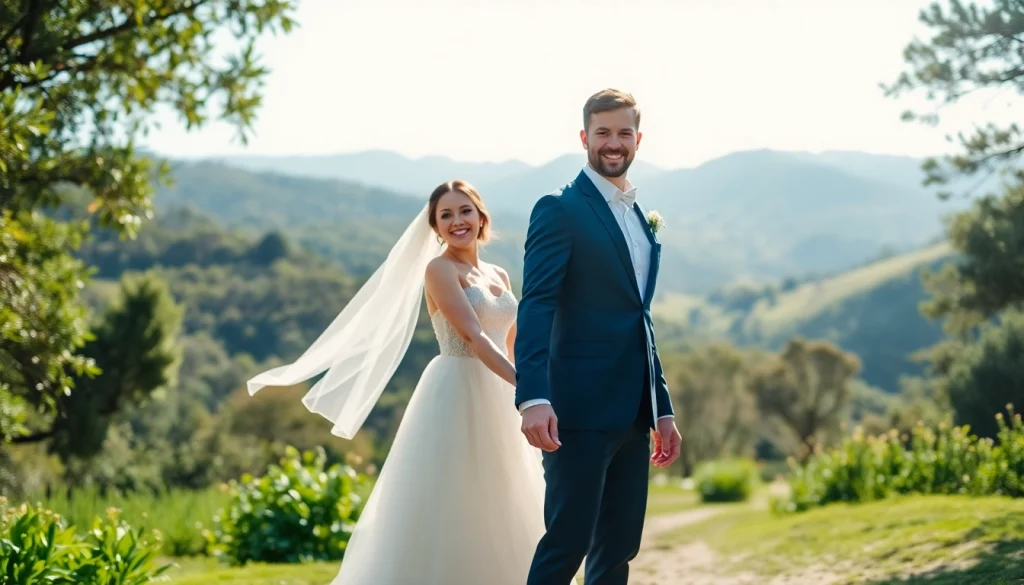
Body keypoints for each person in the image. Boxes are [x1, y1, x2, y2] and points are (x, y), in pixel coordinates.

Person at [247, 180, 559, 584]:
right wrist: (527, 389)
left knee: (505, 494)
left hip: (501, 392)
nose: (456, 221)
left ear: (481, 216)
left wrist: (535, 386)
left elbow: (512, 340)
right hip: (457, 389)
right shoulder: (439, 270)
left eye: (464, 211)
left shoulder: (498, 273)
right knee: (455, 495)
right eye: (445, 215)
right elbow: (473, 336)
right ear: (435, 228)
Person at [515, 88, 682, 585]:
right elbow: (537, 305)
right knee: (567, 543)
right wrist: (534, 397)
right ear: (584, 137)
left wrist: (663, 407)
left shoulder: (638, 216)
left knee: (618, 550)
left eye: (624, 133)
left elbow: (639, 319)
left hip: (633, 411)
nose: (614, 142)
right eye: (603, 132)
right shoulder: (559, 209)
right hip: (577, 411)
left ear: (638, 139)